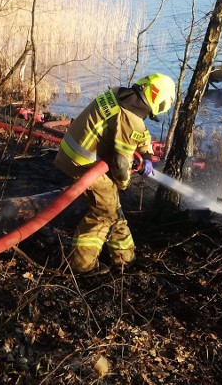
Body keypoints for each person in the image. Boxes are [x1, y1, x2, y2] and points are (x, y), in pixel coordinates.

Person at [54, 72, 176, 276]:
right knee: (103, 215)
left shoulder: (120, 94)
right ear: (158, 100)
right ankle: (81, 266)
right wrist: (124, 182)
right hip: (84, 164)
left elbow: (135, 131)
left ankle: (124, 258)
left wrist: (146, 154)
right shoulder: (131, 119)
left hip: (72, 153)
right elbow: (121, 164)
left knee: (113, 209)